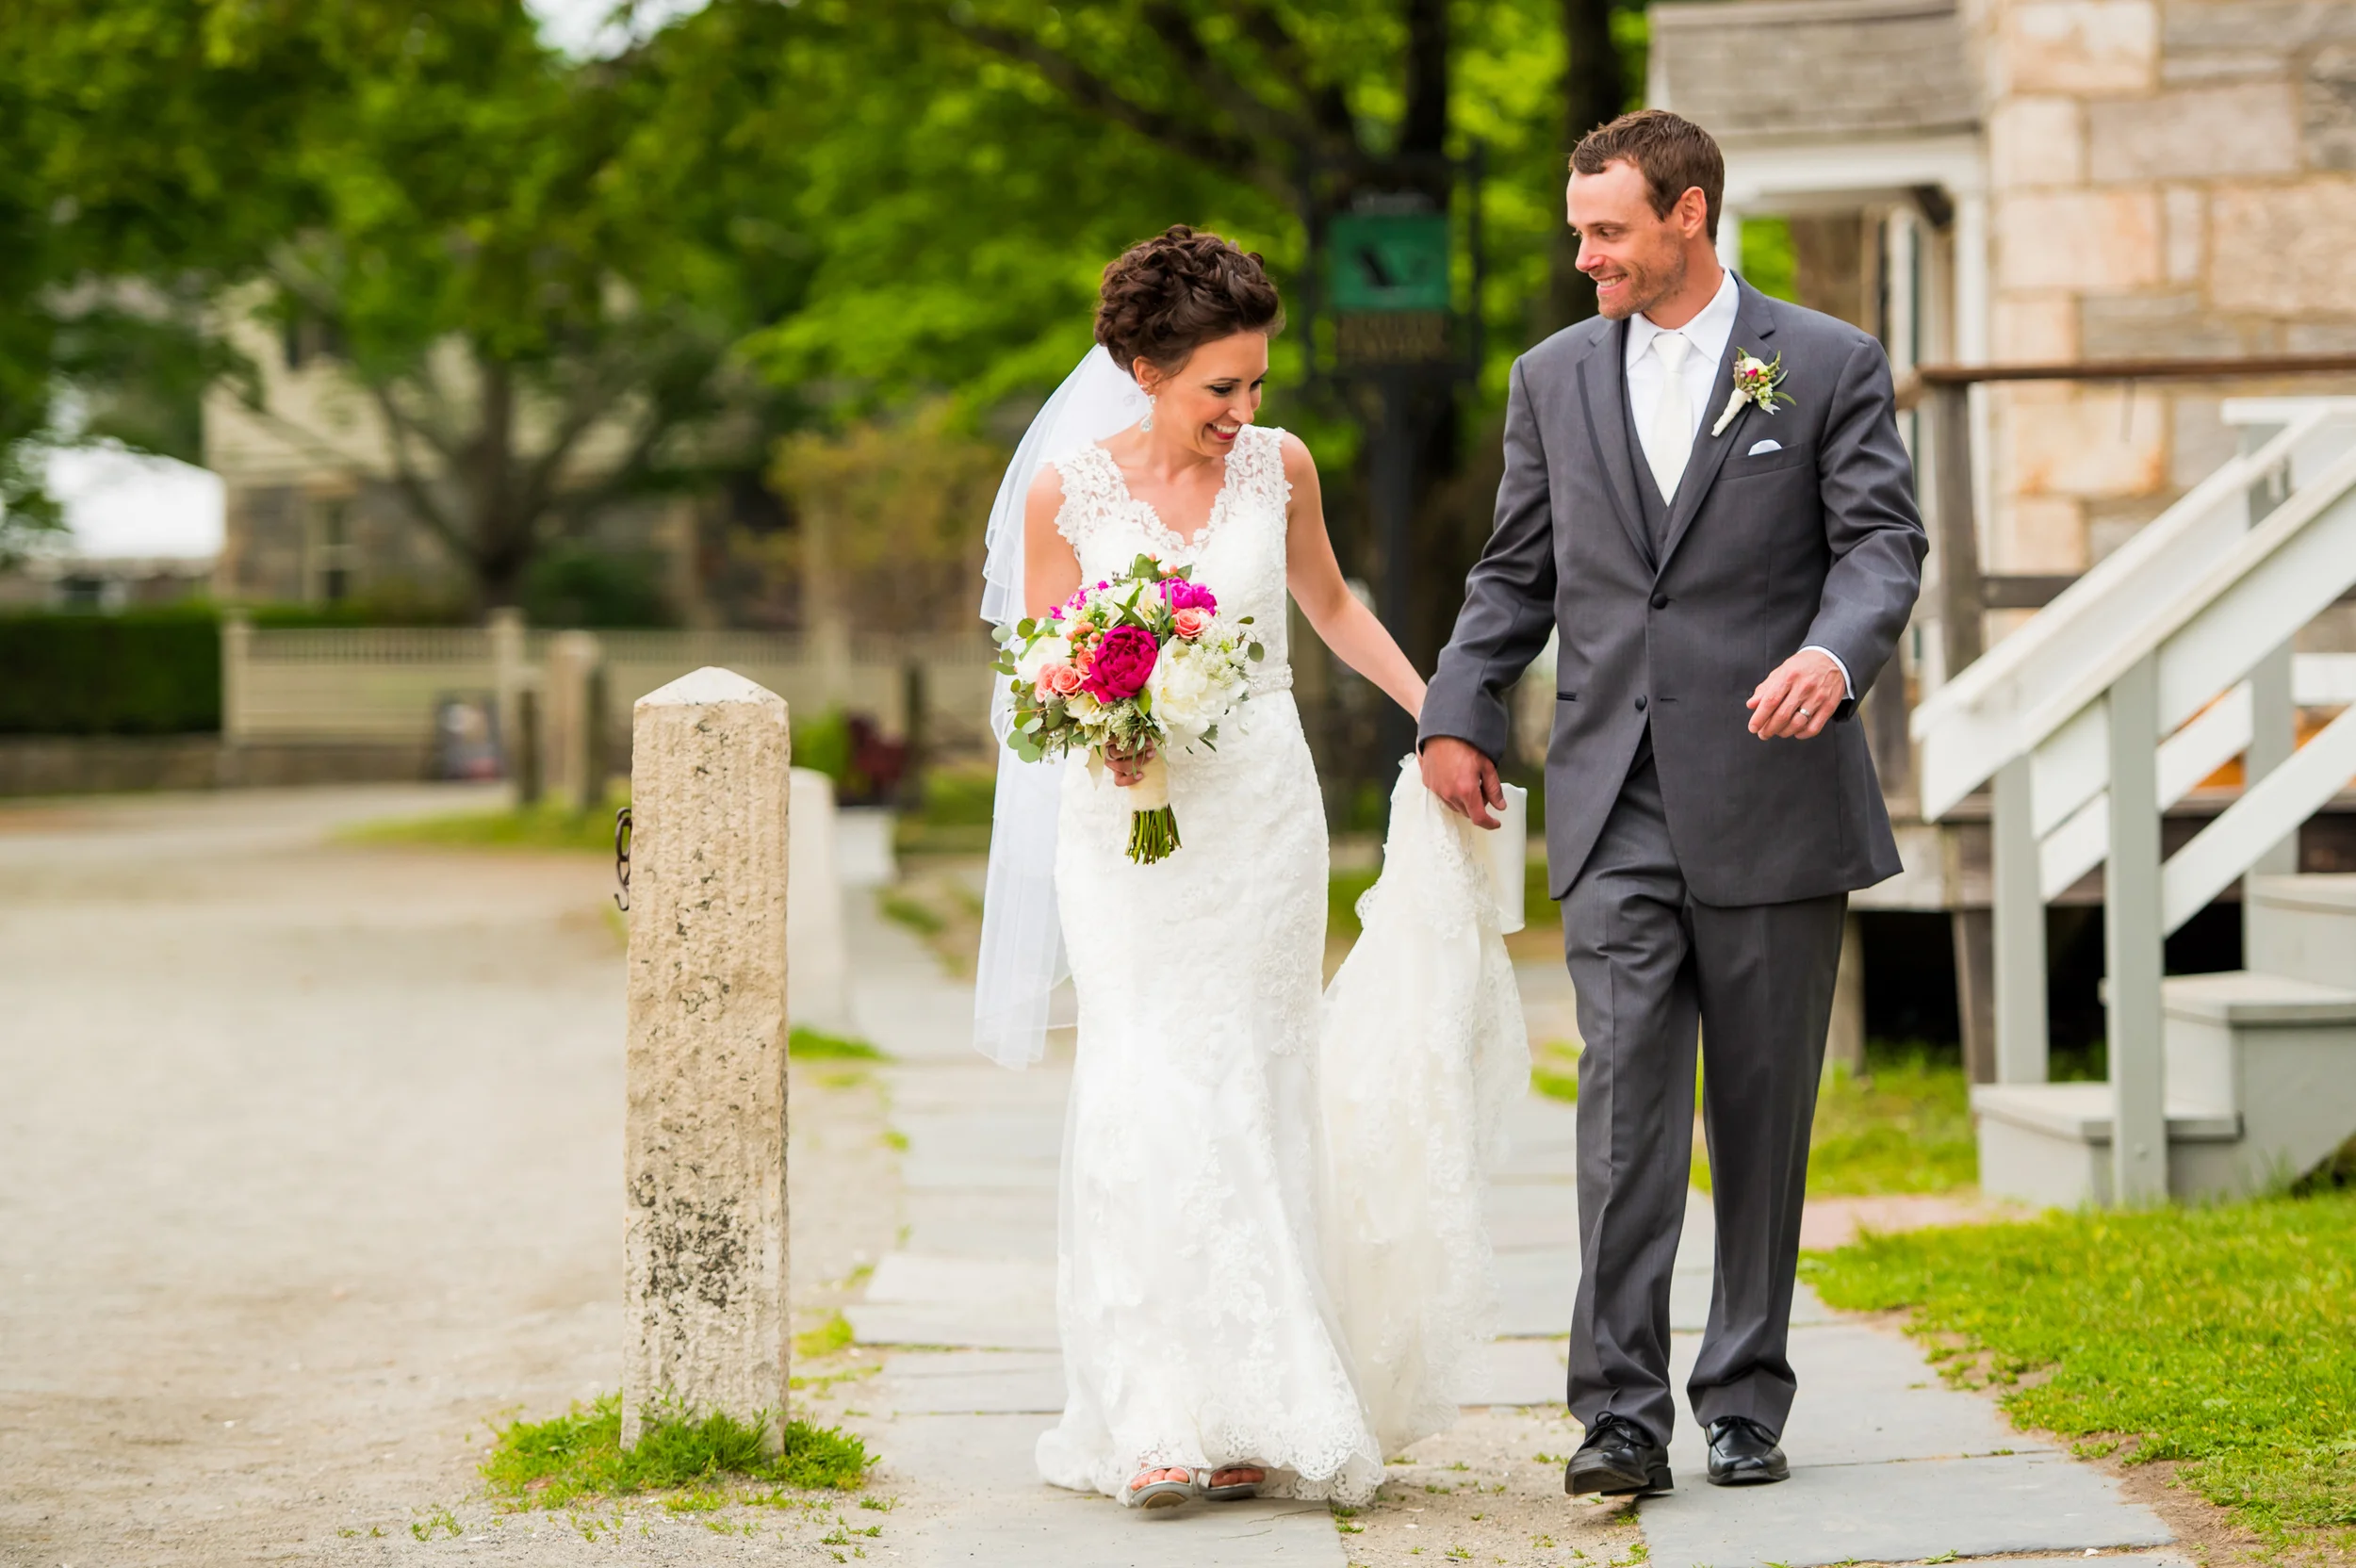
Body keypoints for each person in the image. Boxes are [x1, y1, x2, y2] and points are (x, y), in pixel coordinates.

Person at [972, 226, 1525, 1511]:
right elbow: (1036, 674)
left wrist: (1441, 713)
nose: (1246, 410)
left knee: (1256, 1088)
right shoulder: (1070, 492)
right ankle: (1157, 1414)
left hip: (1261, 820)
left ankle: (1260, 1404)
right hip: (1125, 831)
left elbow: (1331, 605)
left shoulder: (1279, 471)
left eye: (1257, 384)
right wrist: (1098, 726)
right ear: (1141, 367)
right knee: (1147, 1087)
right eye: (1222, 387)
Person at [1419, 110, 1925, 1496]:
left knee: (1762, 1115)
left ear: (1689, 215)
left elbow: (1882, 543)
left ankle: (1747, 1397)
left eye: (1608, 231)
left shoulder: (1822, 363)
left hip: (1773, 793)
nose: (1585, 256)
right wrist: (1457, 711)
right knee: (1628, 1106)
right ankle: (1620, 1413)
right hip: (1610, 797)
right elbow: (1516, 571)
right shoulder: (1552, 377)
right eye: (1581, 230)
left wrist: (1835, 654)